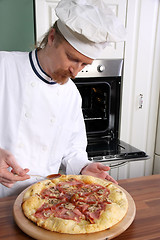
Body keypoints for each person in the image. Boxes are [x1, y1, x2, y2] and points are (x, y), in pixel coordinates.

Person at [0, 0, 126, 197]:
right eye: (72, 58)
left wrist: (84, 168)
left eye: (84, 64)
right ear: (51, 37)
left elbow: (72, 150)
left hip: (42, 198)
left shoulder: (71, 95)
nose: (75, 72)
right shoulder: (4, 67)